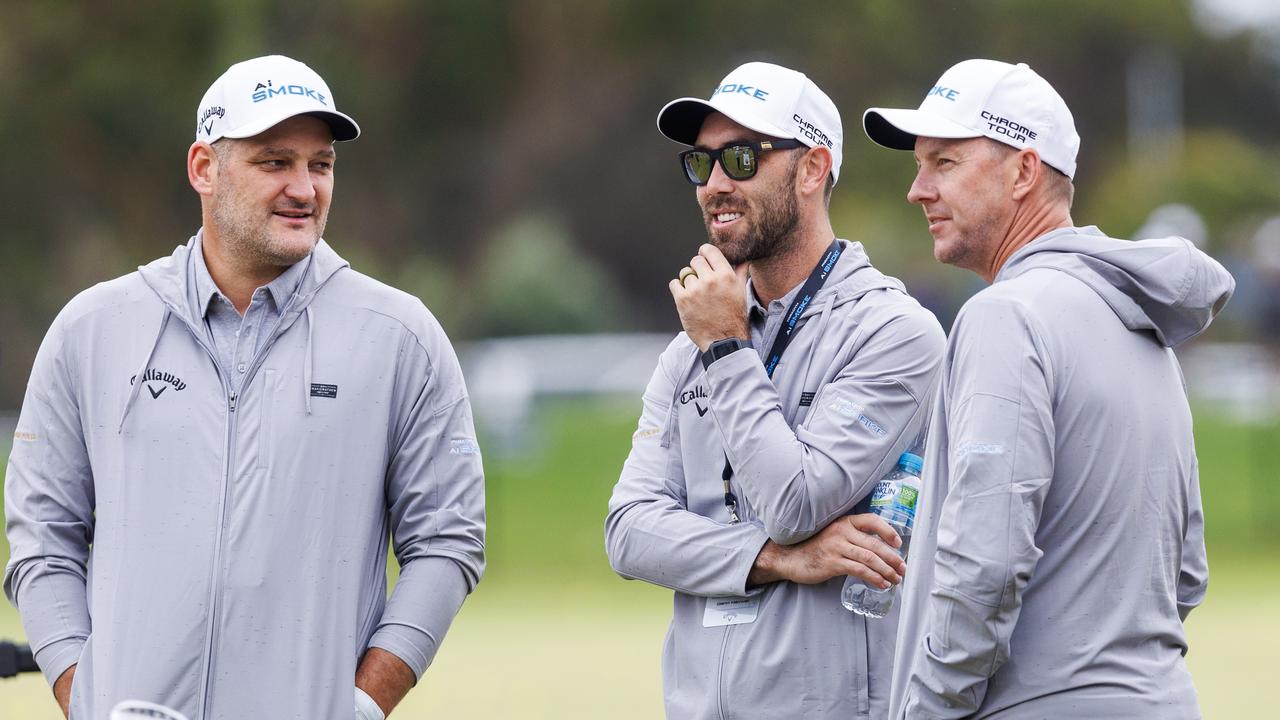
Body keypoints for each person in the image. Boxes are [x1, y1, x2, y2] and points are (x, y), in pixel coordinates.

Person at [4, 55, 485, 720]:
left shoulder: (401, 337)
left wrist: (364, 704)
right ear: (205, 169)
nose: (304, 188)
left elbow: (447, 541)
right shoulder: (92, 330)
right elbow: (43, 534)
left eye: (321, 164)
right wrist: (81, 692)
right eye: (275, 162)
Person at [862, 59, 1234, 718]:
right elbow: (1185, 573)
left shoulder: (1007, 315)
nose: (918, 189)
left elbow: (985, 563)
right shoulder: (1143, 324)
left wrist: (925, 708)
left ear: (1025, 172)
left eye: (944, 163)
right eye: (919, 165)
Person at [605, 61, 945, 719]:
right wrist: (775, 559)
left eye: (740, 157)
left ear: (813, 169)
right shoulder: (695, 339)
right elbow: (628, 532)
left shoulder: (894, 331)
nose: (716, 185)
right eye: (701, 164)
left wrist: (728, 351)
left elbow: (795, 503)